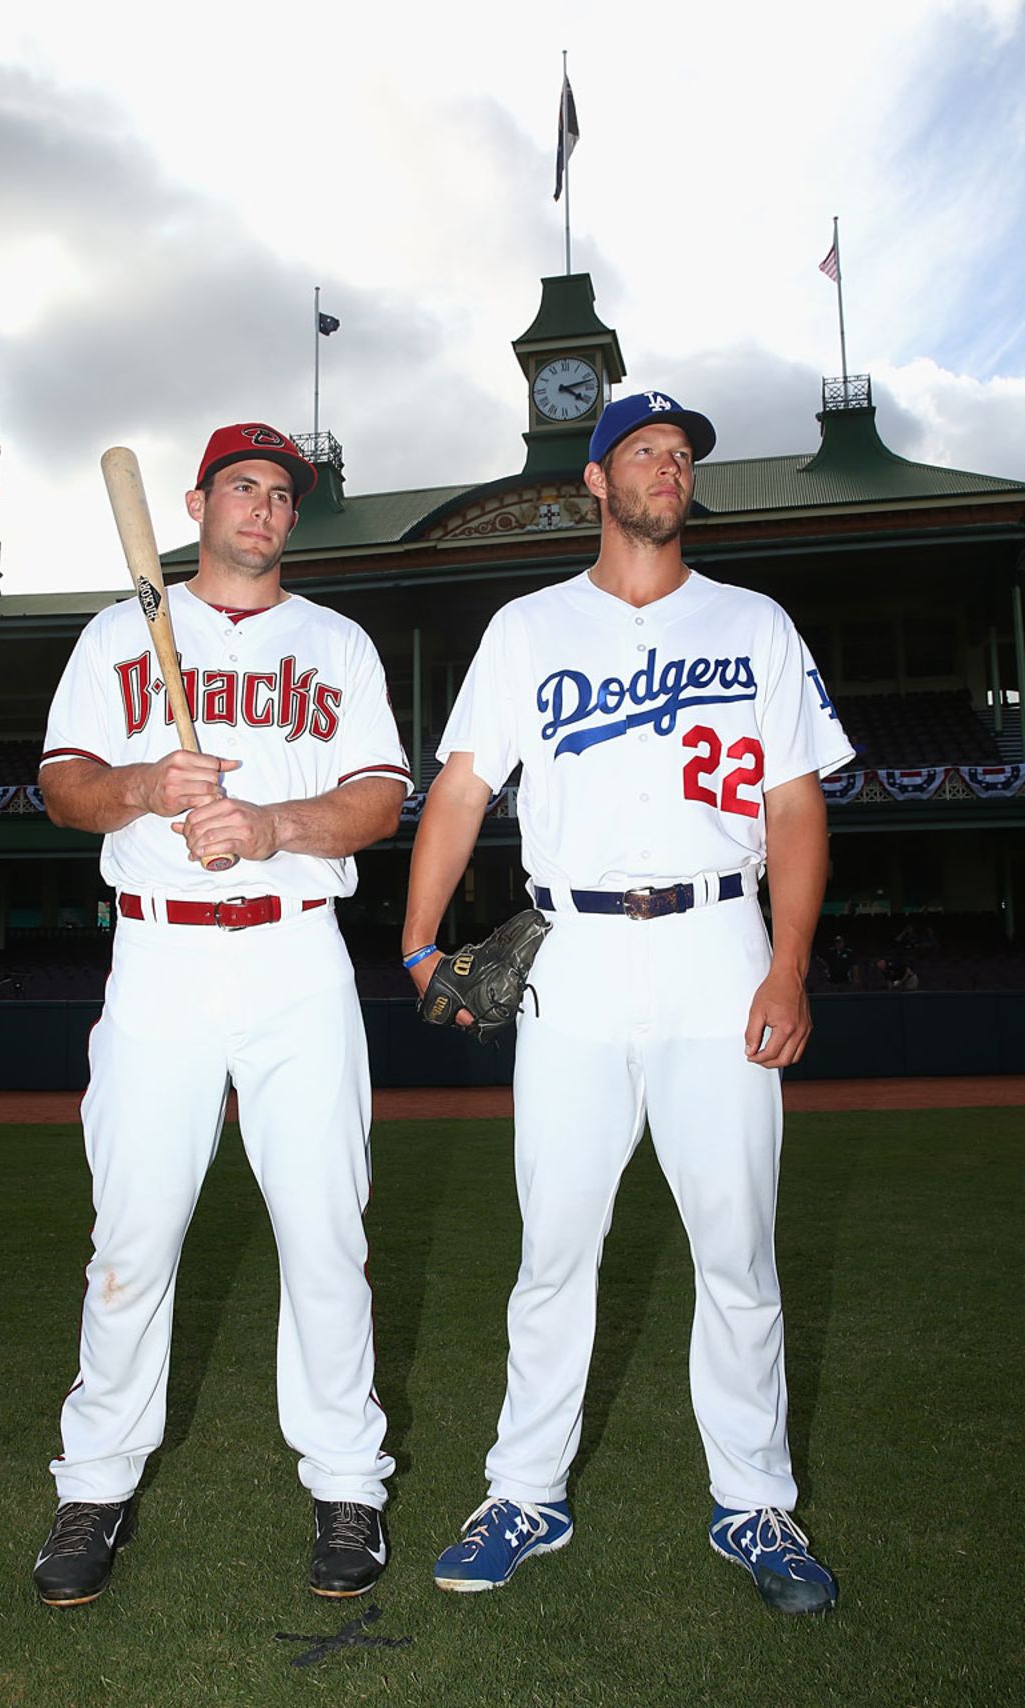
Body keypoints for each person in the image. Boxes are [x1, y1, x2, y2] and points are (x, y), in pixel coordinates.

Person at [402, 391, 854, 1614]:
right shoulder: (528, 628)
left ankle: (757, 1503)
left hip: (720, 939)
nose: (670, 465)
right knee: (552, 1251)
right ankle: (523, 1492)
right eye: (644, 451)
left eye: (681, 453)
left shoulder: (754, 622)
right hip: (577, 955)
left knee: (739, 1252)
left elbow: (796, 806)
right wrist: (415, 943)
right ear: (595, 483)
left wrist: (790, 962)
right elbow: (457, 790)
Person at [34, 423, 410, 1607]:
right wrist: (144, 787)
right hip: (159, 961)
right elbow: (61, 786)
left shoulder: (336, 644)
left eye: (280, 493)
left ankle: (349, 1481)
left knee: (324, 1235)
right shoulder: (116, 635)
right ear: (197, 503)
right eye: (241, 486)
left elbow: (377, 801)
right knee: (132, 1239)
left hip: (297, 958)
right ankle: (94, 1485)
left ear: (293, 518)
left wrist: (269, 825)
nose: (262, 506)